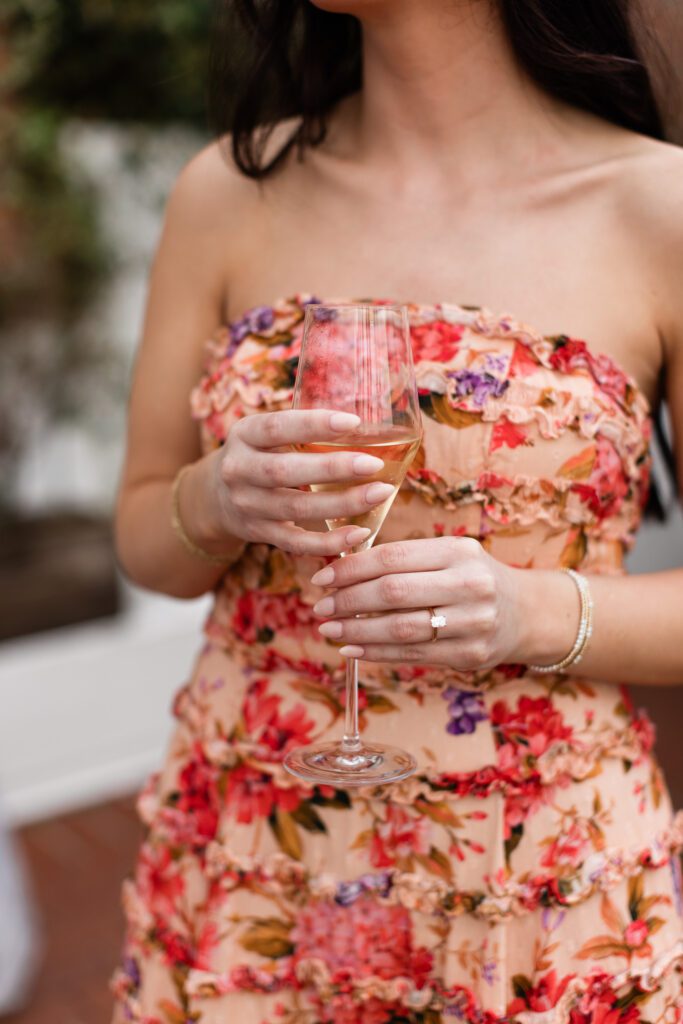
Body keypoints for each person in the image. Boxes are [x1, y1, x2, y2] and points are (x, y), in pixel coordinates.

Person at [111, 1, 683, 1020]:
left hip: (532, 874)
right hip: (260, 860)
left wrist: (526, 613)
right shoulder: (226, 190)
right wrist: (214, 495)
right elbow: (146, 540)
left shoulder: (658, 207)